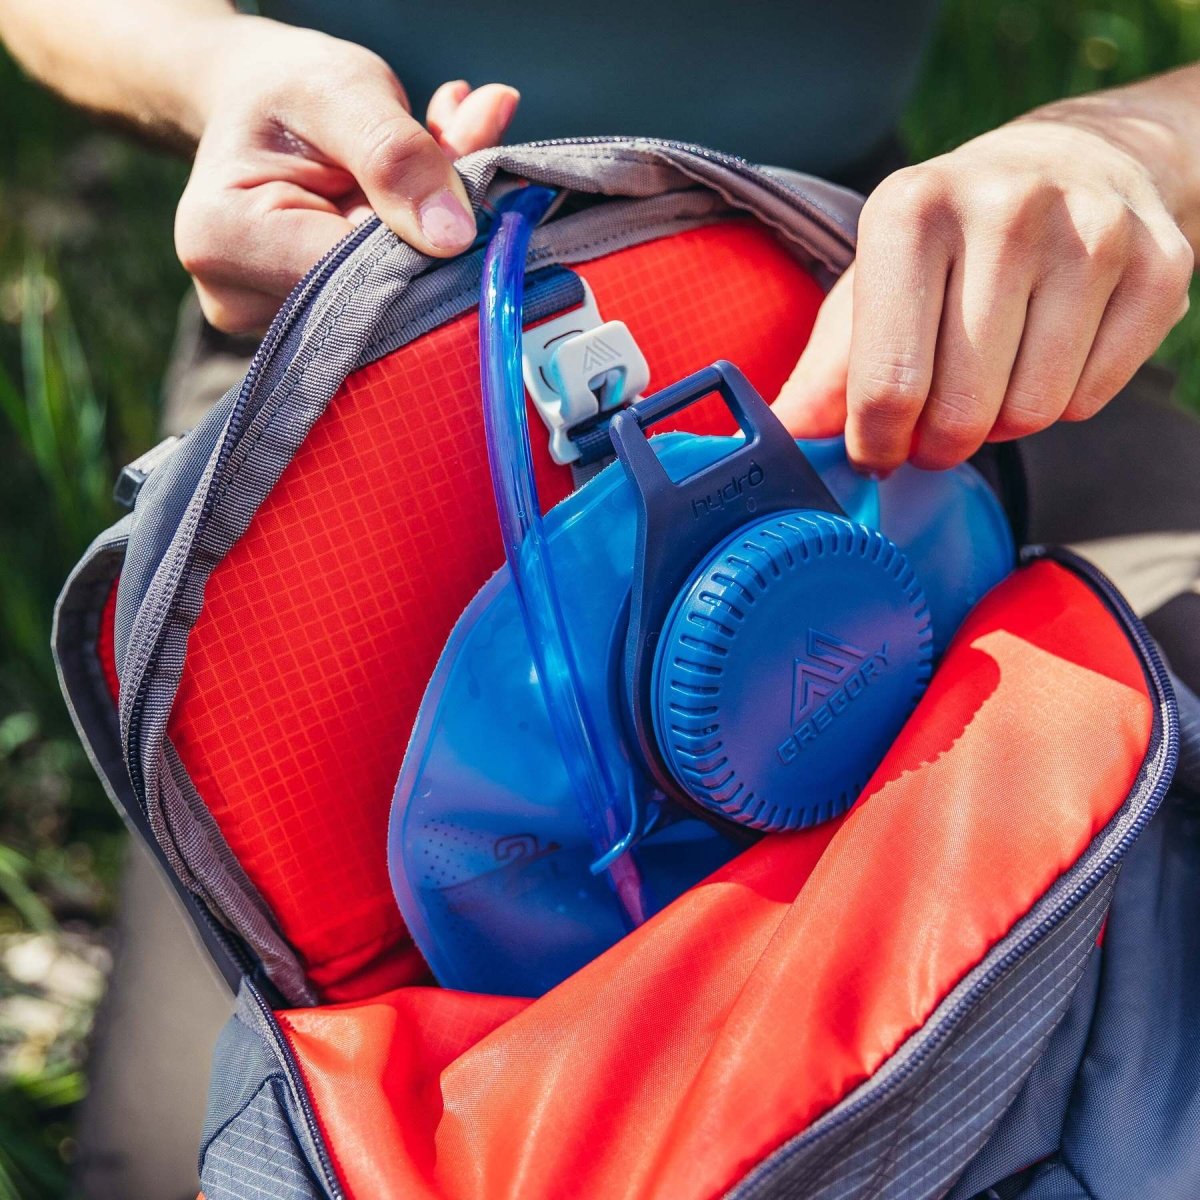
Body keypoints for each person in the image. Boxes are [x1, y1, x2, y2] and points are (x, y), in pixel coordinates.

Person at [3, 2, 1199, 1196]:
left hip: (859, 294)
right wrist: (224, 71)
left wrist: (1121, 144)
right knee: (196, 1152)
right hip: (333, 346)